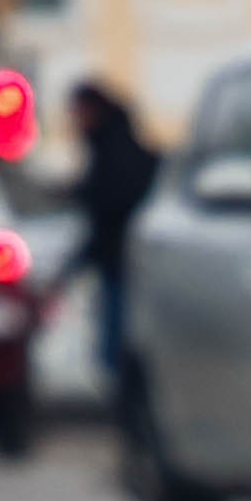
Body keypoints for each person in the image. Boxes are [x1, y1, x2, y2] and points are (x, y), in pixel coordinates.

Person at [68, 79, 156, 445]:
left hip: (124, 267)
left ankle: (135, 427)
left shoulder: (113, 153)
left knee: (119, 352)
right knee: (118, 350)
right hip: (121, 265)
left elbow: (110, 213)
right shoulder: (113, 147)